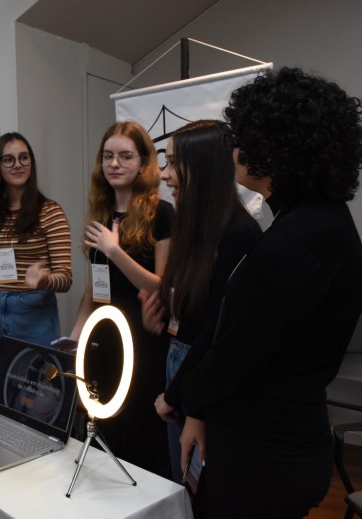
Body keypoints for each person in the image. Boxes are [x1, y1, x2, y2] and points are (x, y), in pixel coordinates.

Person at [178, 67, 362, 518]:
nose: (235, 151)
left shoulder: (296, 243)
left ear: (274, 147)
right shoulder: (322, 222)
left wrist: (180, 398)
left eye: (242, 138)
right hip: (282, 443)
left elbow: (236, 355)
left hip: (262, 458)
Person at [139, 120, 261, 483]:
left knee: (199, 488)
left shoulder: (239, 235)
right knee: (180, 485)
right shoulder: (191, 226)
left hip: (199, 382)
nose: (164, 174)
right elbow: (190, 308)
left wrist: (181, 397)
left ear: (204, 166)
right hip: (180, 365)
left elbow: (218, 333)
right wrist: (161, 317)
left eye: (174, 163)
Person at [68, 121, 173, 478]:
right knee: (103, 425)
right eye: (108, 156)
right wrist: (77, 334)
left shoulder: (162, 213)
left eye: (125, 156)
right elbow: (95, 285)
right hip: (103, 335)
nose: (114, 164)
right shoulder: (101, 213)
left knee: (139, 431)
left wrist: (115, 251)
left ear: (143, 163)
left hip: (142, 337)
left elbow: (161, 286)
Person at [0, 132, 72, 397]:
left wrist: (44, 280)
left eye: (24, 158)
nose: (18, 165)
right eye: (9, 159)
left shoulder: (50, 212)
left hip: (33, 311)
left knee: (36, 392)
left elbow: (66, 278)